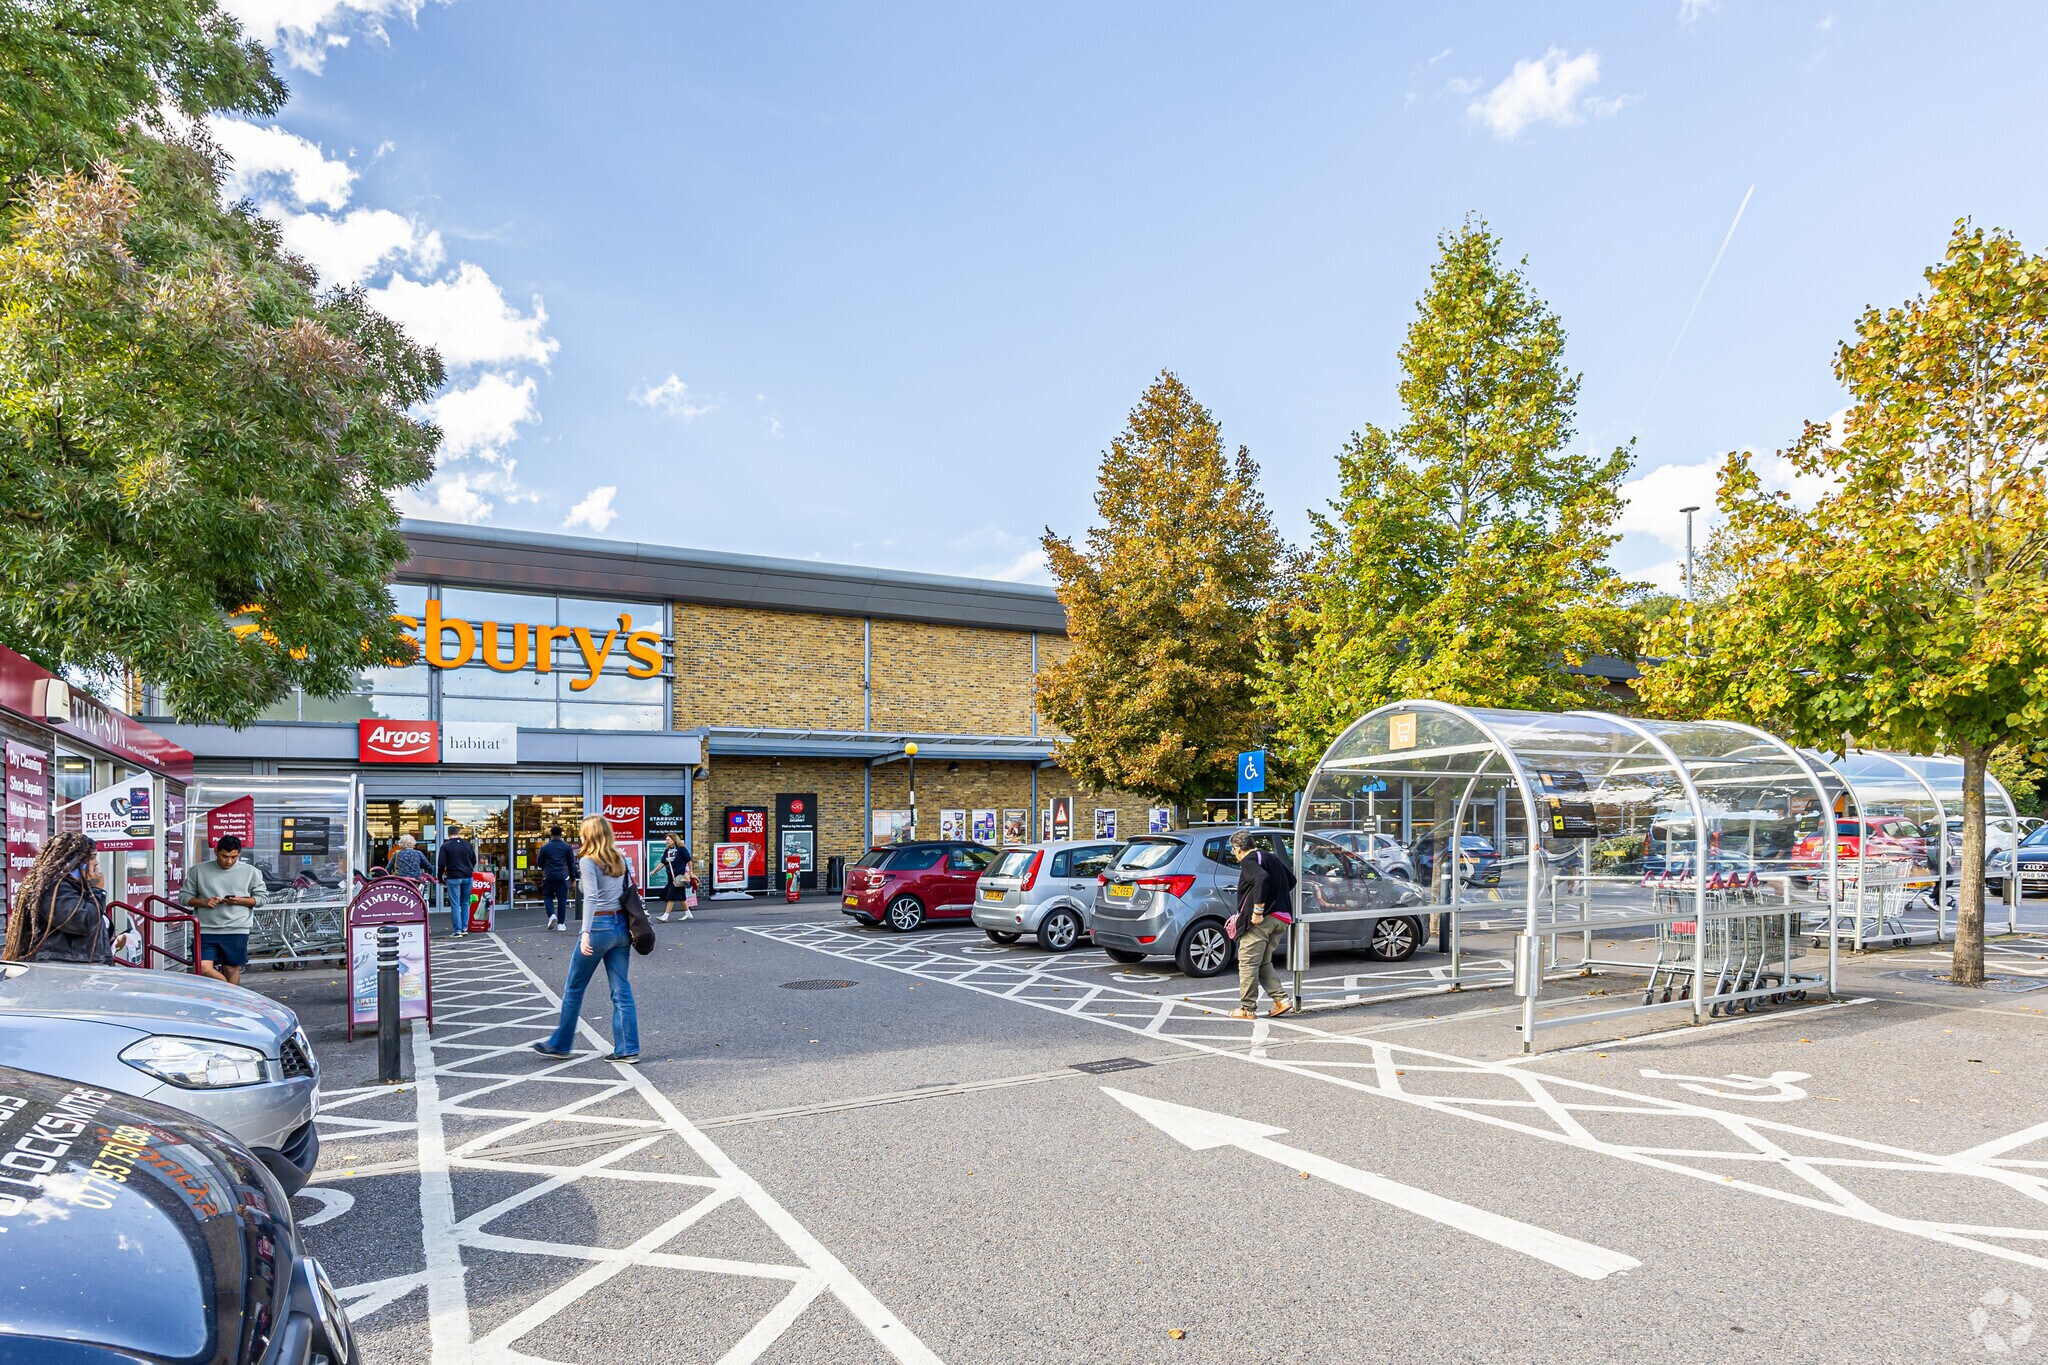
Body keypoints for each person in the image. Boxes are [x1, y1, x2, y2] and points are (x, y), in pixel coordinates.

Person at [533, 814, 640, 1064]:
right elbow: (625, 891)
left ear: (589, 835)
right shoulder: (620, 859)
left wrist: (585, 933)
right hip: (622, 928)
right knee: (621, 989)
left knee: (574, 987)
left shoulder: (589, 860)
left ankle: (560, 1044)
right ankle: (628, 1048)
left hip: (599, 927)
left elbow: (591, 898)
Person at [2, 833, 110, 964]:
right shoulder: (53, 888)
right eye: (92, 857)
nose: (96, 862)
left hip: (72, 968)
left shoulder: (73, 887)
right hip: (60, 971)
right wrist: (97, 890)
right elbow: (82, 921)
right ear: (73, 861)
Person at [183, 834, 266, 986]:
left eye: (234, 857)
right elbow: (184, 897)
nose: (229, 861)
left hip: (237, 928)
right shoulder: (198, 870)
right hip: (205, 929)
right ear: (216, 851)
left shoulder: (251, 872)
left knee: (231, 968)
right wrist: (204, 901)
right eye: (224, 856)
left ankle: (230, 1003)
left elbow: (262, 899)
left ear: (239, 854)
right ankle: (231, 993)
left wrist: (240, 900)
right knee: (201, 967)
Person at [1229, 831, 1295, 1020]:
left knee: (1248, 962)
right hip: (1281, 918)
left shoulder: (1249, 860)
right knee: (1263, 962)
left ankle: (1247, 1009)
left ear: (1237, 849)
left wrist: (1258, 910)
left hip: (1262, 921)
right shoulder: (1270, 857)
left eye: (1234, 851)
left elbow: (1261, 878)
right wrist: (1275, 898)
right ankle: (1281, 1000)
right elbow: (1292, 881)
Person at [437, 824, 477, 937]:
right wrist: (469, 869)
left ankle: (457, 931)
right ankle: (464, 928)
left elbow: (441, 864)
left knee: (455, 904)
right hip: (467, 877)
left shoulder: (445, 846)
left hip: (453, 877)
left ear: (448, 834)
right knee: (465, 903)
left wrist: (440, 878)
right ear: (459, 833)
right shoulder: (467, 845)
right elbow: (474, 860)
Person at [537, 824, 575, 932]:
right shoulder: (567, 847)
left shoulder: (544, 847)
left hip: (549, 877)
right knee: (562, 900)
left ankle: (551, 915)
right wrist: (573, 879)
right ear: (561, 834)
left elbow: (539, 863)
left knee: (548, 896)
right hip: (563, 877)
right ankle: (561, 924)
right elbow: (571, 864)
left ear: (551, 834)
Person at [658, 833, 695, 922]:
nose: (666, 841)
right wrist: (654, 871)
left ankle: (665, 916)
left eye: (668, 840)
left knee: (672, 896)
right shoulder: (667, 851)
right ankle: (688, 913)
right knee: (681, 897)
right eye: (666, 840)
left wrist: (691, 872)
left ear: (674, 840)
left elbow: (689, 860)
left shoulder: (681, 849)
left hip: (679, 877)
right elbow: (662, 862)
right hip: (671, 877)